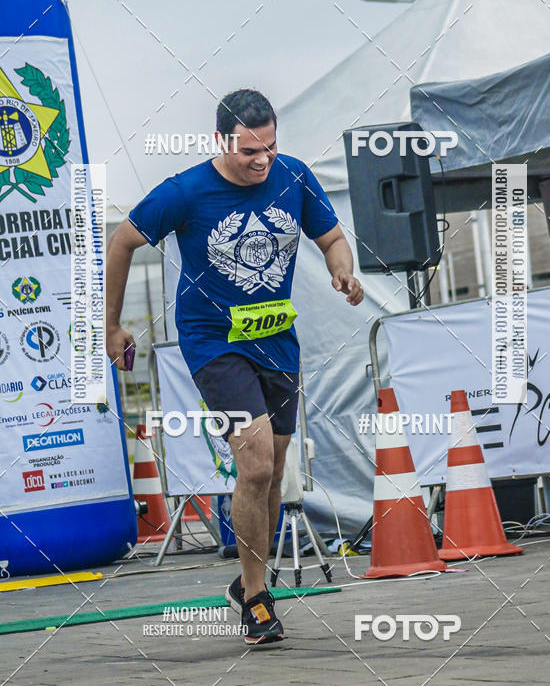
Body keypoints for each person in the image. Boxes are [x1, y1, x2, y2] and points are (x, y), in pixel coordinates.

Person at [106, 89, 363, 645]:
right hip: (214, 343)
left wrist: (342, 270)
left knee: (273, 466)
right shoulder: (185, 191)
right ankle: (257, 600)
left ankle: (250, 583)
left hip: (278, 342)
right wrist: (112, 325)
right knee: (254, 464)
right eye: (250, 151)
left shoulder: (292, 177)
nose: (262, 160)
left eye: (270, 147)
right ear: (222, 142)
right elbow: (121, 241)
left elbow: (333, 238)